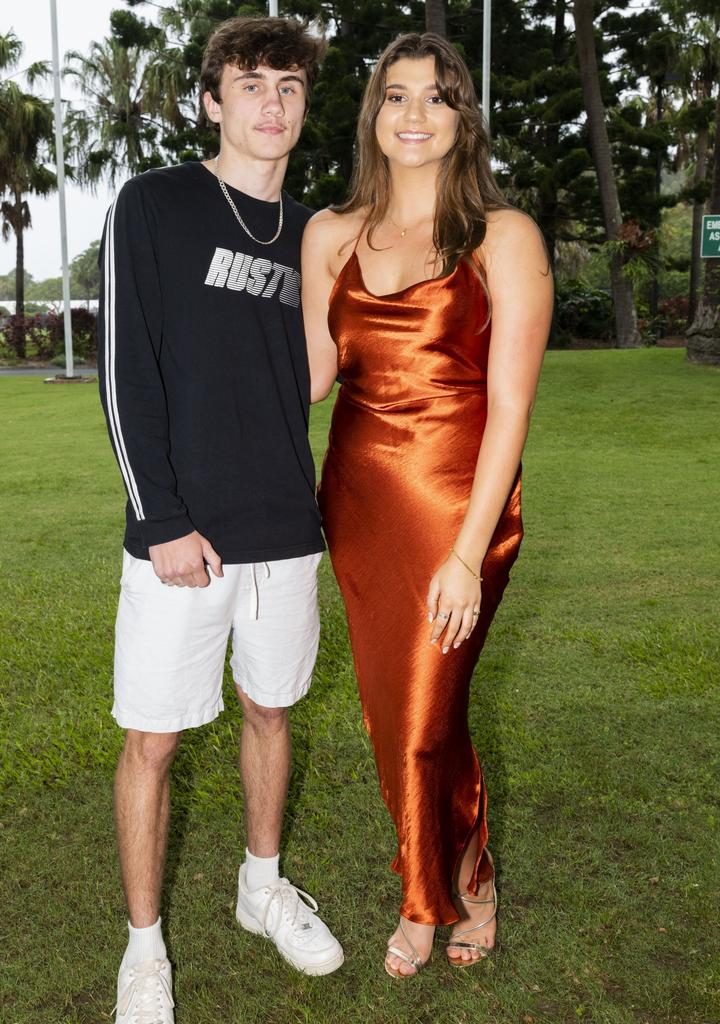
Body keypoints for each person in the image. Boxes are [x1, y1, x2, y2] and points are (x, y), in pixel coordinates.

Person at [97, 17, 343, 1023]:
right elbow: (124, 372)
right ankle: (144, 949)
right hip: (181, 535)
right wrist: (161, 517)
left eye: (288, 86)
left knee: (271, 711)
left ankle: (260, 885)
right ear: (211, 101)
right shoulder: (152, 204)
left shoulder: (317, 234)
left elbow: (321, 381)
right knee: (154, 739)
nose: (271, 103)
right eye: (251, 85)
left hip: (287, 526)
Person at [302, 32, 553, 977]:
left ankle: (427, 900)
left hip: (461, 509)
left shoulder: (503, 235)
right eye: (395, 95)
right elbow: (314, 381)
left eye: (436, 97)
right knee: (404, 713)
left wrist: (465, 551)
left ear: (461, 119)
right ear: (372, 113)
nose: (413, 114)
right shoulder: (329, 234)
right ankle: (472, 870)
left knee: (420, 716)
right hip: (359, 503)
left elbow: (514, 404)